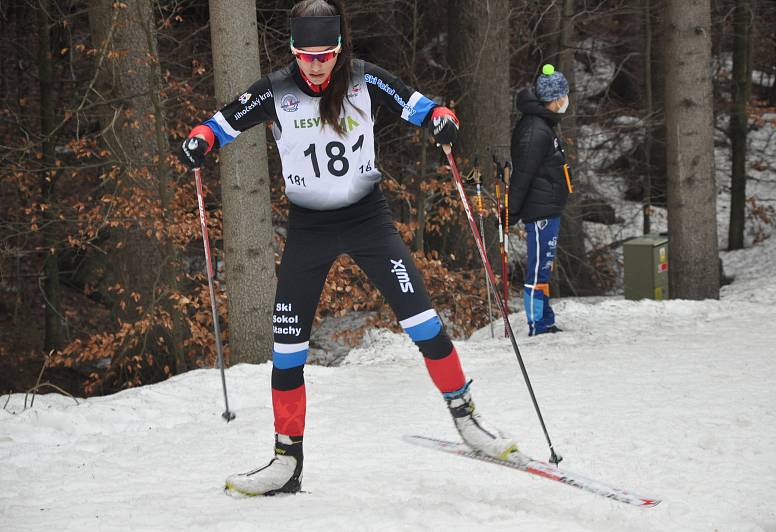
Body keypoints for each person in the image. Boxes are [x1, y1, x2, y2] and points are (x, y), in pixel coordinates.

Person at [179, 0, 520, 497]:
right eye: (306, 55)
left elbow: (422, 106)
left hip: (367, 220)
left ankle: (468, 420)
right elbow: (221, 122)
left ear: (339, 50)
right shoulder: (274, 89)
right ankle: (285, 460)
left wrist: (443, 119)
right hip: (309, 229)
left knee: (422, 320)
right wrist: (199, 140)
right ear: (294, 51)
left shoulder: (364, 78)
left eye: (326, 54)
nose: (316, 65)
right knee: (287, 349)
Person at [507, 64, 572, 337]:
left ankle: (545, 319)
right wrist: (511, 212)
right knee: (538, 270)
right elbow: (522, 176)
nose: (566, 101)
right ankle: (538, 324)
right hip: (540, 211)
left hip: (548, 207)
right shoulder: (536, 130)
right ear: (555, 99)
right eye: (564, 96)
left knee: (544, 267)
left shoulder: (544, 124)